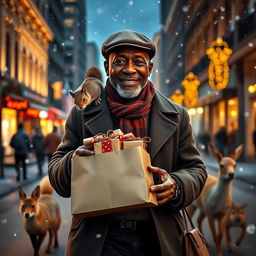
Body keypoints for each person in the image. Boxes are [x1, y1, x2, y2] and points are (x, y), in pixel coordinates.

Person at [48, 30, 207, 256]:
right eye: (120, 61)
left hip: (159, 238)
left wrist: (177, 185)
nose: (129, 69)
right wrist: (73, 162)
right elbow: (56, 174)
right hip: (99, 241)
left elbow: (197, 169)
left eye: (138, 62)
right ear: (107, 68)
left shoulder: (177, 115)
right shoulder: (81, 114)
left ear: (149, 69)